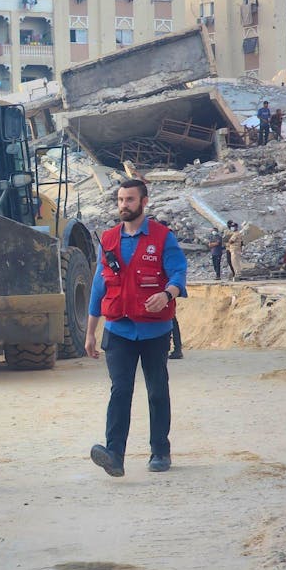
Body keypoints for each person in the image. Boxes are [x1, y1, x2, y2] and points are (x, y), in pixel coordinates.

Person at [86, 179, 187, 477]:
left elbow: (179, 272)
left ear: (144, 202)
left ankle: (160, 451)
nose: (123, 205)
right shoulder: (108, 239)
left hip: (154, 331)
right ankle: (114, 454)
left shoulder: (162, 237)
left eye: (129, 199)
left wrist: (167, 293)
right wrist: (90, 331)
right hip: (118, 330)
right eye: (120, 199)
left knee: (157, 390)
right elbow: (98, 285)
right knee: (120, 390)